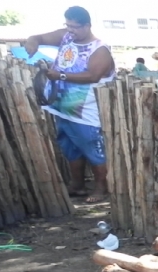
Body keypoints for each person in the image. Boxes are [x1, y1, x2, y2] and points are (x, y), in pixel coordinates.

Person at [26, 6, 115, 203]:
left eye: (74, 27)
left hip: (85, 110)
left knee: (92, 148)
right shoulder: (66, 37)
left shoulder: (99, 49)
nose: (70, 30)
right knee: (70, 147)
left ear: (87, 26)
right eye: (68, 25)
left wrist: (61, 75)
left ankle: (101, 188)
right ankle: (77, 185)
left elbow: (93, 76)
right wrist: (33, 40)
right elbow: (40, 37)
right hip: (62, 107)